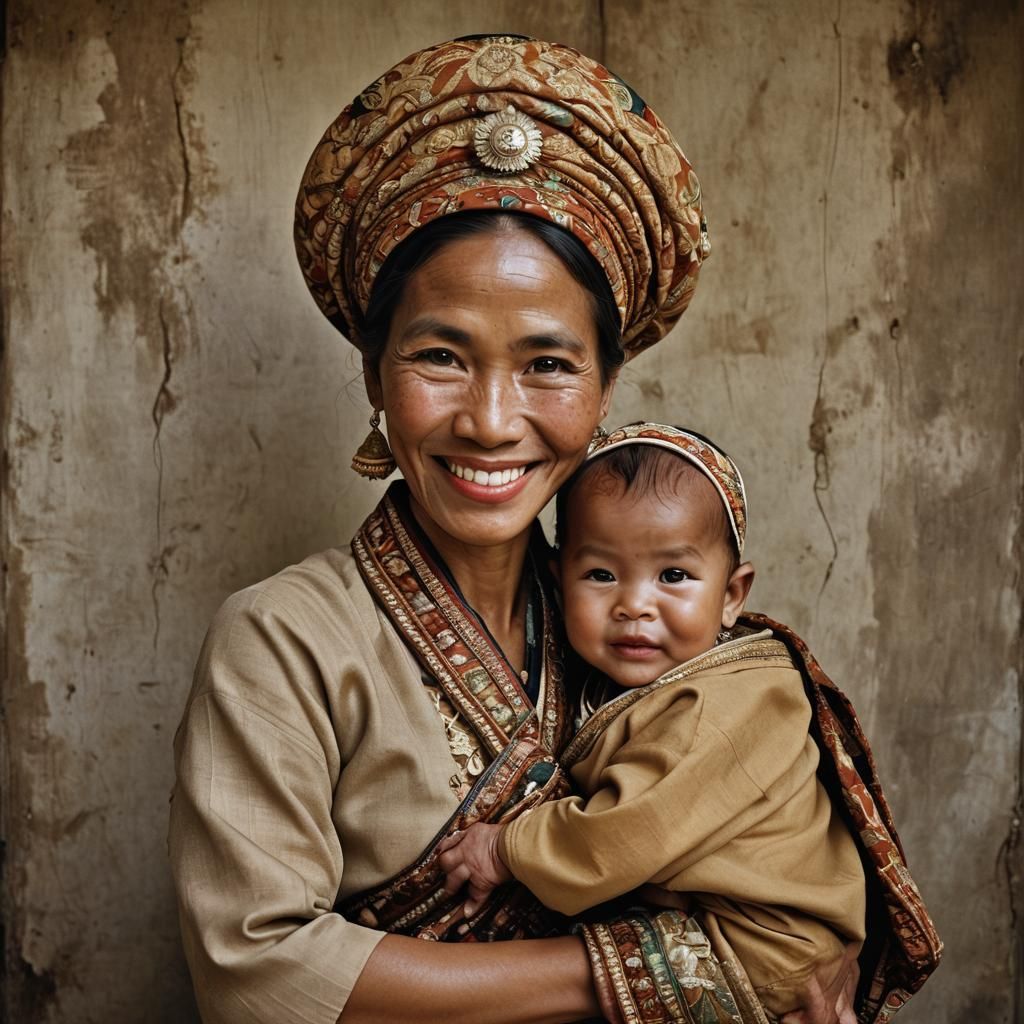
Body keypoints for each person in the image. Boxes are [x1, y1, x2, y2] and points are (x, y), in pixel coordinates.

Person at [168, 34, 936, 1024]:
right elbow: (257, 974)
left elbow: (786, 871)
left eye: (547, 365)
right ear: (373, 379)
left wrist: (810, 955)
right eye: (440, 355)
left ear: (606, 389)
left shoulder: (652, 631)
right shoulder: (280, 640)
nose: (491, 419)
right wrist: (673, 970)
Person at [438, 423, 868, 1020]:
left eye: (673, 576)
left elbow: (622, 832)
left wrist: (504, 850)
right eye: (601, 575)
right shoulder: (635, 687)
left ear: (732, 596)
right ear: (559, 584)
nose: (635, 605)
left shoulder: (725, 704)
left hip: (761, 951)